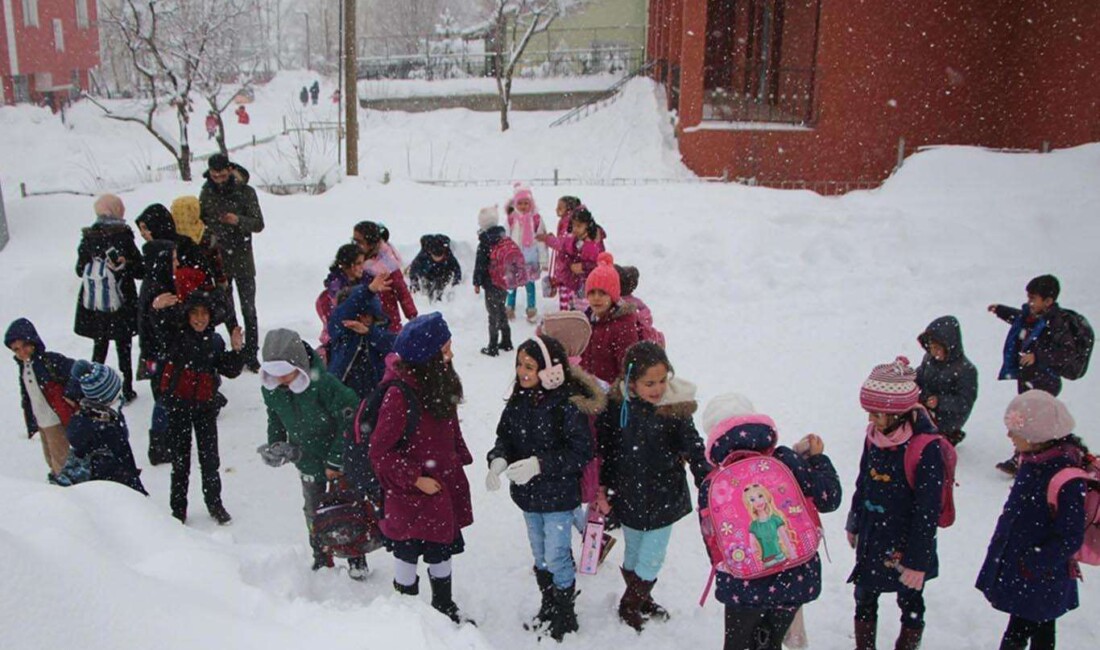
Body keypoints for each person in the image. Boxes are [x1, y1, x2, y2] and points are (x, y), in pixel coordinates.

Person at [700, 394, 842, 650]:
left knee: (738, 645)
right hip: (794, 575)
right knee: (771, 642)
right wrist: (816, 460)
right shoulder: (783, 459)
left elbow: (713, 541)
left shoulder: (712, 483)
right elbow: (829, 498)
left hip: (742, 584)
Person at [595, 342, 711, 631]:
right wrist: (603, 486)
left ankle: (630, 604)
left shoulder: (674, 407)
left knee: (653, 555)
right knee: (634, 551)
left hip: (664, 493)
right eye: (649, 383)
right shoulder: (616, 406)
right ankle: (642, 598)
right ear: (631, 381)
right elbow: (605, 448)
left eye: (662, 380)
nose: (657, 388)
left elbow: (693, 445)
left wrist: (704, 475)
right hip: (628, 492)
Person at [368, 313, 475, 624]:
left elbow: (447, 429)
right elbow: (380, 453)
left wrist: (457, 460)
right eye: (445, 349)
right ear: (428, 358)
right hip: (411, 496)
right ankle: (406, 617)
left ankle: (444, 606)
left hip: (440, 490)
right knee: (407, 553)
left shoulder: (439, 383)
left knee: (441, 551)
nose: (451, 354)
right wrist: (416, 479)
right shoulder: (399, 396)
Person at [485, 335, 594, 641]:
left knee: (557, 555)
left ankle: (565, 612)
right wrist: (498, 460)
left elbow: (580, 452)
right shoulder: (517, 401)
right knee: (540, 554)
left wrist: (540, 464)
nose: (522, 371)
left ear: (550, 370)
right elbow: (504, 438)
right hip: (528, 497)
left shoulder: (566, 406)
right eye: (519, 364)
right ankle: (548, 604)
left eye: (530, 366)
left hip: (559, 497)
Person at [976, 391, 1089, 650]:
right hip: (1026, 568)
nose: (1009, 436)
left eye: (1014, 430)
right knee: (1032, 624)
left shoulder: (1066, 477)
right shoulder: (1032, 461)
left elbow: (1071, 536)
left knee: (1030, 629)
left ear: (1037, 436)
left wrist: (1035, 562)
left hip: (1042, 572)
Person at [846, 357, 944, 650]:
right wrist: (855, 519)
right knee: (864, 595)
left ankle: (907, 644)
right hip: (873, 534)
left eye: (876, 414)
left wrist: (917, 561)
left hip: (906, 540)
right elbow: (863, 481)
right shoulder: (874, 437)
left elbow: (927, 511)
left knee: (910, 598)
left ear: (898, 412)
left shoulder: (925, 448)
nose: (870, 420)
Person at [258, 328, 368, 580]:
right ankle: (321, 556)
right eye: (274, 373)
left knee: (345, 506)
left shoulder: (323, 385)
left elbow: (349, 415)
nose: (281, 378)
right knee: (313, 509)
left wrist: (337, 458)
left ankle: (355, 555)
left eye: (285, 371)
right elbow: (274, 416)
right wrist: (276, 444)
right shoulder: (271, 389)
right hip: (305, 459)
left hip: (336, 458)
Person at [152, 290, 244, 524]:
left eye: (204, 314)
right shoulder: (176, 336)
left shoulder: (214, 341)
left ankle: (215, 504)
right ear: (187, 316)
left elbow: (230, 370)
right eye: (195, 314)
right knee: (181, 463)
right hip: (178, 408)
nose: (200, 319)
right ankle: (178, 509)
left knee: (210, 460)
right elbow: (158, 329)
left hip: (205, 408)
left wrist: (237, 350)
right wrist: (157, 308)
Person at [990, 274, 1085, 474]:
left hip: (1045, 380)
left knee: (1035, 421)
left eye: (1034, 299)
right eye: (1029, 298)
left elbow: (1066, 351)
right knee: (1023, 417)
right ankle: (1024, 455)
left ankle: (1036, 456)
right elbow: (1017, 318)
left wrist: (1038, 356)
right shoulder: (1031, 316)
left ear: (1049, 301)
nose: (1029, 302)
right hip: (1028, 377)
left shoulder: (1056, 322)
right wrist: (1000, 310)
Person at [74, 194, 143, 404]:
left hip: (97, 302)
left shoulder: (89, 237)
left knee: (100, 344)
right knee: (124, 346)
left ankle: (94, 387)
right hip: (121, 300)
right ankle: (127, 387)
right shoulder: (122, 235)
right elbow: (140, 270)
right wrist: (125, 265)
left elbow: (79, 269)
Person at [199, 153, 265, 370]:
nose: (218, 179)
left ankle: (251, 352)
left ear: (229, 171)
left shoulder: (245, 192)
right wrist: (211, 231)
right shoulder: (206, 192)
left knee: (249, 308)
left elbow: (258, 223)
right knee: (226, 308)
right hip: (218, 258)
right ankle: (237, 347)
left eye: (221, 175)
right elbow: (201, 221)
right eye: (214, 175)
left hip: (242, 255)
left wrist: (238, 221)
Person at [5, 318, 80, 482]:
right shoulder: (24, 367)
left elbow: (76, 371)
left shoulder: (49, 361)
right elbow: (28, 397)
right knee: (50, 457)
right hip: (42, 420)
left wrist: (70, 395)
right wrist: (32, 423)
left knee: (61, 460)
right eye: (16, 349)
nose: (21, 352)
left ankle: (67, 488)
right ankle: (59, 480)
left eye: (24, 346)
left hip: (55, 418)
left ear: (32, 342)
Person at [66, 360, 148, 495]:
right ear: (108, 398)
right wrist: (137, 490)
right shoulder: (106, 429)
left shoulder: (93, 418)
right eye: (118, 394)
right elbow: (117, 472)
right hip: (114, 494)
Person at [135, 239, 177, 465]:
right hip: (160, 355)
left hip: (154, 353)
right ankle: (159, 446)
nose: (176, 263)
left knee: (164, 396)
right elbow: (160, 328)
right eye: (172, 259)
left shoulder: (153, 283)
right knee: (164, 398)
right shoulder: (158, 289)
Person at [915, 316, 978, 446]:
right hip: (926, 406)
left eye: (938, 348)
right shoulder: (929, 360)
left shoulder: (966, 370)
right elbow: (920, 376)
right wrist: (908, 381)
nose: (934, 352)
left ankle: (948, 435)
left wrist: (940, 401)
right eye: (931, 347)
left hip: (948, 416)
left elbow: (964, 402)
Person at [579, 254, 641, 385]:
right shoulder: (588, 320)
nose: (596, 298)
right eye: (592, 292)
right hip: (591, 389)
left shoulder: (623, 324)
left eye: (602, 293)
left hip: (612, 394)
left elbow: (627, 367)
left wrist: (615, 392)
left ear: (613, 296)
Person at [326, 286, 396, 399]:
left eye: (365, 315)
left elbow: (392, 344)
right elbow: (339, 318)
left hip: (373, 394)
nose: (361, 319)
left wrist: (369, 332)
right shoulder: (341, 333)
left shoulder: (380, 333)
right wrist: (367, 291)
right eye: (356, 315)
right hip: (343, 392)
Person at [353, 221, 417, 332]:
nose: (355, 244)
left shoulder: (388, 264)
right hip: (360, 323)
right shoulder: (354, 261)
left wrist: (412, 316)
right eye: (354, 240)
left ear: (371, 243)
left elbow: (402, 293)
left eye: (359, 242)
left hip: (387, 322)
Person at [537, 205, 603, 312]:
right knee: (566, 307)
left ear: (587, 226)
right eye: (574, 225)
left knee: (582, 310)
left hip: (584, 284)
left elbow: (599, 264)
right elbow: (562, 251)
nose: (575, 229)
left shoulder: (592, 244)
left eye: (579, 226)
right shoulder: (570, 239)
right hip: (568, 280)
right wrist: (568, 264)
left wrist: (584, 266)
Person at [473, 206, 512, 357]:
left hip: (491, 283)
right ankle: (507, 341)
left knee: (492, 314)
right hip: (504, 280)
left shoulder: (484, 242)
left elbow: (480, 265)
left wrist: (476, 282)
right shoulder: (503, 237)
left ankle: (493, 345)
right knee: (501, 309)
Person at [505, 185, 548, 322]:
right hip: (513, 259)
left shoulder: (536, 219)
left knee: (530, 286)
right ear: (515, 204)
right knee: (512, 286)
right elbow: (505, 239)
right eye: (520, 203)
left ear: (531, 203)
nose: (523, 206)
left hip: (530, 259)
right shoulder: (511, 219)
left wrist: (543, 261)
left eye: (526, 203)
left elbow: (542, 241)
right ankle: (509, 308)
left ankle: (531, 309)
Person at [317, 243, 367, 358]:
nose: (362, 267)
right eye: (359, 263)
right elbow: (338, 317)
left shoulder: (361, 281)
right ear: (348, 265)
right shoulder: (336, 288)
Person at [407, 234, 462, 302]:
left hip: (444, 273)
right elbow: (413, 270)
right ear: (431, 253)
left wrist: (456, 283)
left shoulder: (448, 255)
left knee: (440, 288)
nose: (437, 259)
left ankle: (440, 299)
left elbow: (457, 269)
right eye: (435, 257)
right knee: (427, 288)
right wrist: (414, 284)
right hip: (428, 273)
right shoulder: (423, 255)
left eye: (440, 258)